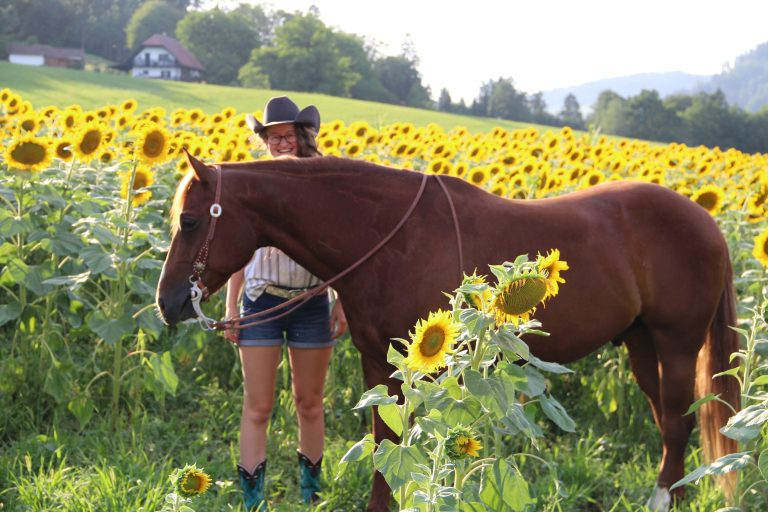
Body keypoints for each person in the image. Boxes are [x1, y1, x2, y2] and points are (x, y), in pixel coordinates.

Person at [225, 96, 348, 511]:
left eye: (287, 136)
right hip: (260, 302)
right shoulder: (252, 182)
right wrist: (230, 307)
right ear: (264, 140)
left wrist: (342, 302)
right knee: (257, 406)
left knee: (309, 402)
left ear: (302, 136)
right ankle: (252, 502)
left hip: (311, 304)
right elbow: (236, 251)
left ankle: (312, 495)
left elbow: (341, 249)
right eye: (272, 136)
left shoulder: (323, 182)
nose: (280, 143)